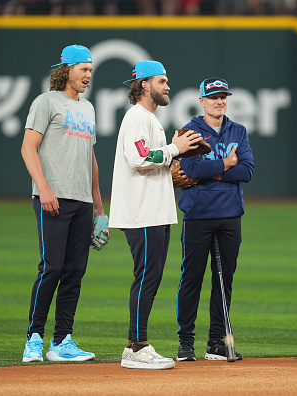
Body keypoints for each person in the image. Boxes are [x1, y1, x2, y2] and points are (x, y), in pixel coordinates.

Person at [109, 60, 203, 370]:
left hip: (155, 211)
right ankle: (137, 346)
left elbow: (154, 158)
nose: (168, 86)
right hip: (142, 212)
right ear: (144, 85)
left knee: (151, 277)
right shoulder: (137, 117)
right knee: (146, 277)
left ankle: (134, 344)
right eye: (162, 81)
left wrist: (180, 153)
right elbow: (139, 158)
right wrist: (174, 149)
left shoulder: (149, 118)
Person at [20, 44, 105, 363]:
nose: (88, 75)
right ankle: (34, 338)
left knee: (74, 271)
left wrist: (99, 209)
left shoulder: (88, 108)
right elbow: (28, 148)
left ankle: (62, 341)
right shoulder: (45, 102)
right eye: (84, 69)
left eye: (91, 71)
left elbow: (91, 159)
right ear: (65, 69)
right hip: (52, 198)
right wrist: (43, 188)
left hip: (83, 202)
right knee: (51, 268)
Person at [175, 77, 254, 362]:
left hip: (230, 215)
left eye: (223, 96)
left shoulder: (238, 131)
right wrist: (227, 163)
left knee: (224, 280)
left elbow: (246, 171)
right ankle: (185, 342)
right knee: (192, 278)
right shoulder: (191, 131)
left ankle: (216, 343)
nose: (219, 101)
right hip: (198, 215)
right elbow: (191, 170)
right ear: (202, 101)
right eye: (213, 97)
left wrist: (216, 170)